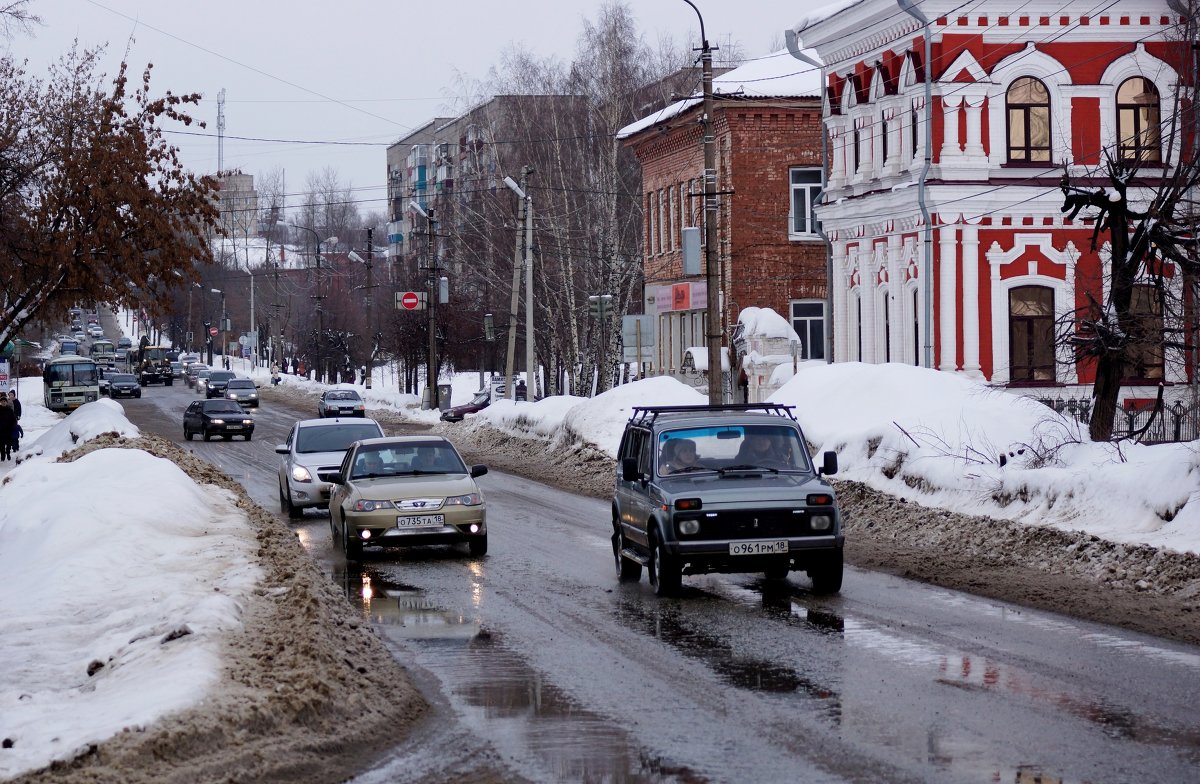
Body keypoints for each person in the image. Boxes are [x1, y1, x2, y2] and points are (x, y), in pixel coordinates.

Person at [0, 396, 15, 462]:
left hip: (8, 430)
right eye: (2, 401)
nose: (3, 403)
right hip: (0, 431)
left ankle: (8, 453)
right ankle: (2, 456)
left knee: (9, 444)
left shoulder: (10, 410)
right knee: (1, 444)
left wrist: (12, 426)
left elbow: (13, 420)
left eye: (4, 401)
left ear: (6, 402)